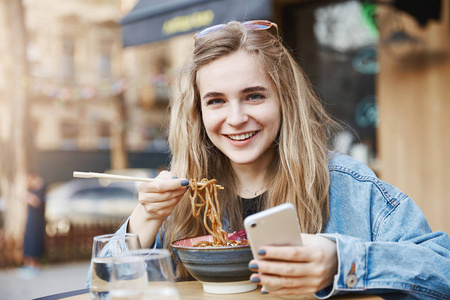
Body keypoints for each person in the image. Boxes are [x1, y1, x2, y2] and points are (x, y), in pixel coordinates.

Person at [102, 20, 450, 298]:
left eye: (253, 96)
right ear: (198, 112)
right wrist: (145, 217)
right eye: (216, 101)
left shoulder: (347, 184)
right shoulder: (181, 195)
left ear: (284, 100)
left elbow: (442, 269)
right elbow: (102, 287)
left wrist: (340, 261)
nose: (235, 118)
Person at [18, 173, 47, 279]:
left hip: (37, 223)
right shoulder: (32, 190)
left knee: (35, 242)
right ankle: (28, 265)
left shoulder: (41, 190)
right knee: (29, 242)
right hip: (30, 222)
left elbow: (36, 202)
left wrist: (27, 196)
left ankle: (35, 266)